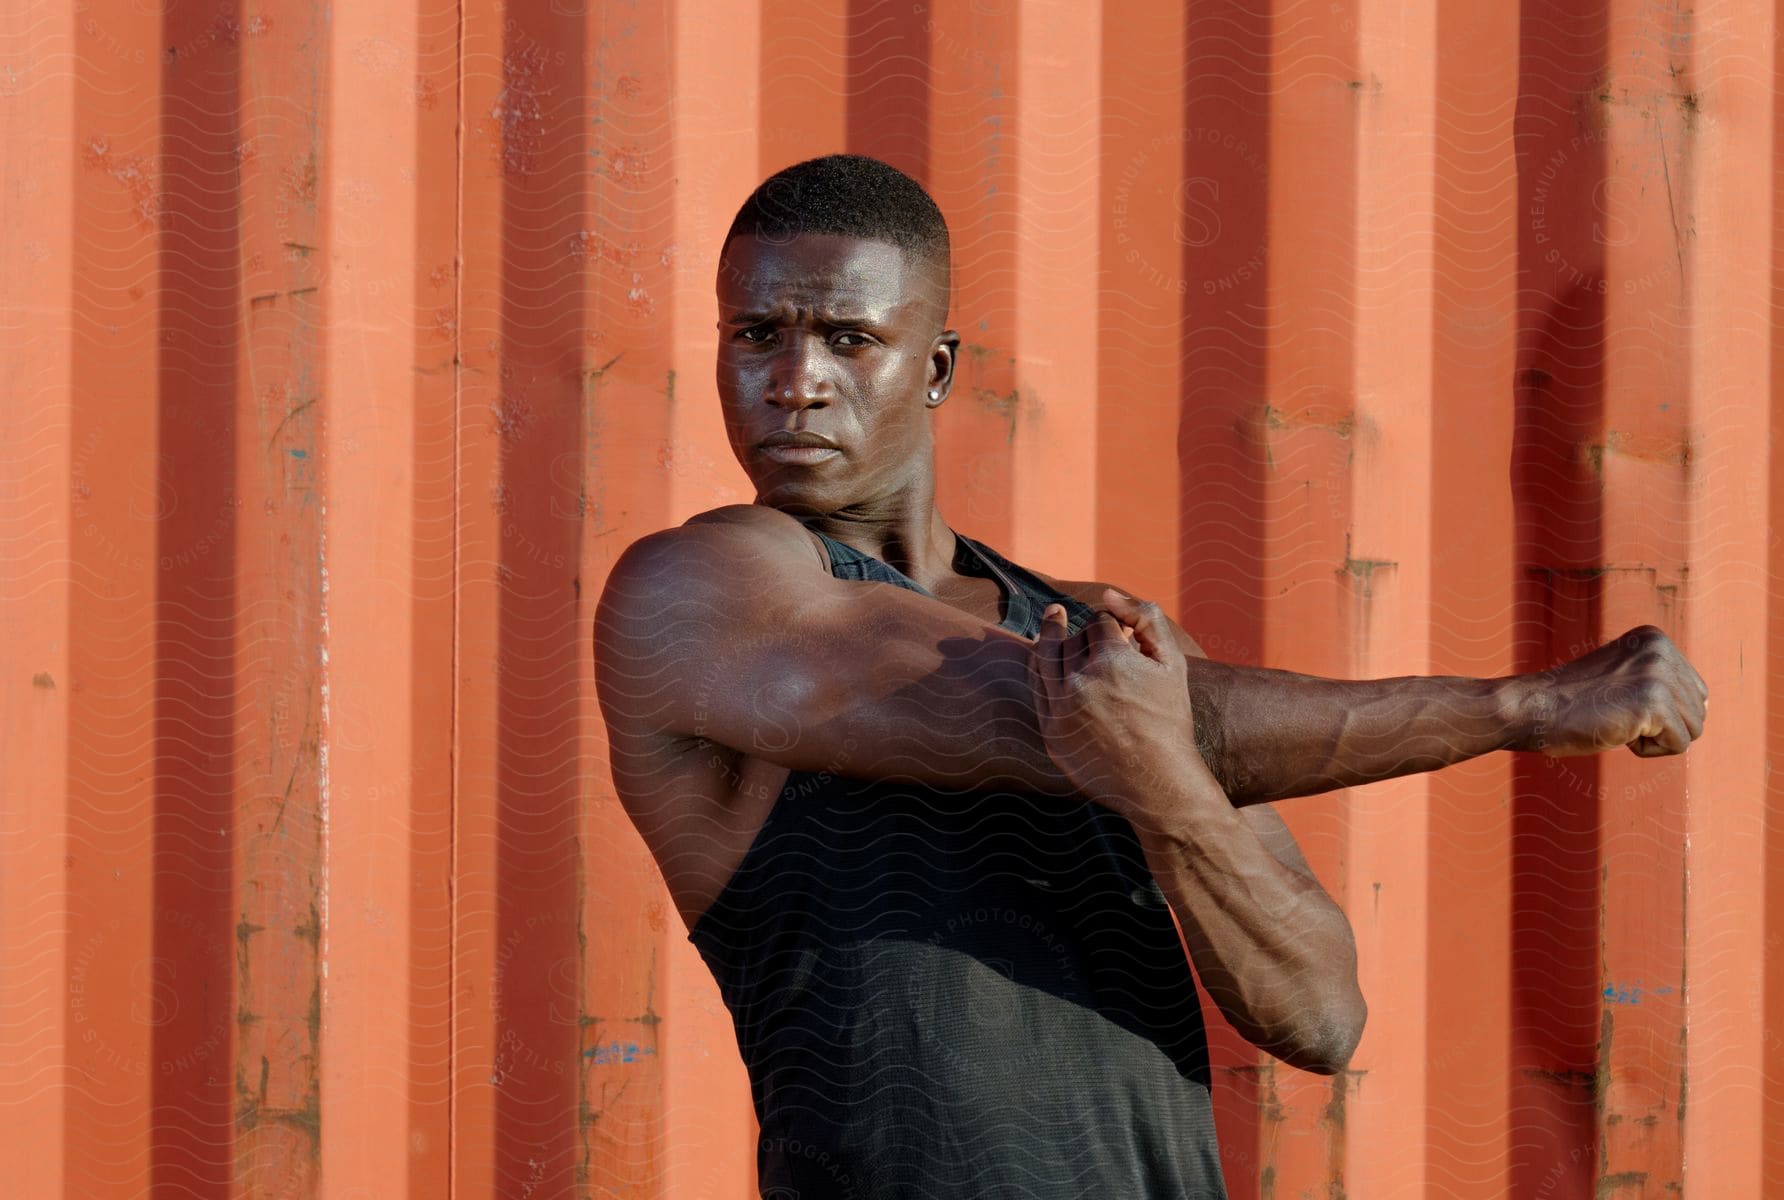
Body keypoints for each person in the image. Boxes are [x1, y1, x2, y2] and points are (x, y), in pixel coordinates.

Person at [592, 154, 1708, 1200]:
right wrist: (1520, 707)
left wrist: (1163, 788)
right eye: (757, 336)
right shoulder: (696, 591)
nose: (796, 383)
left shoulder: (1086, 625)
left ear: (935, 367)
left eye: (847, 338)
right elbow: (1047, 713)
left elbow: (1318, 1014)